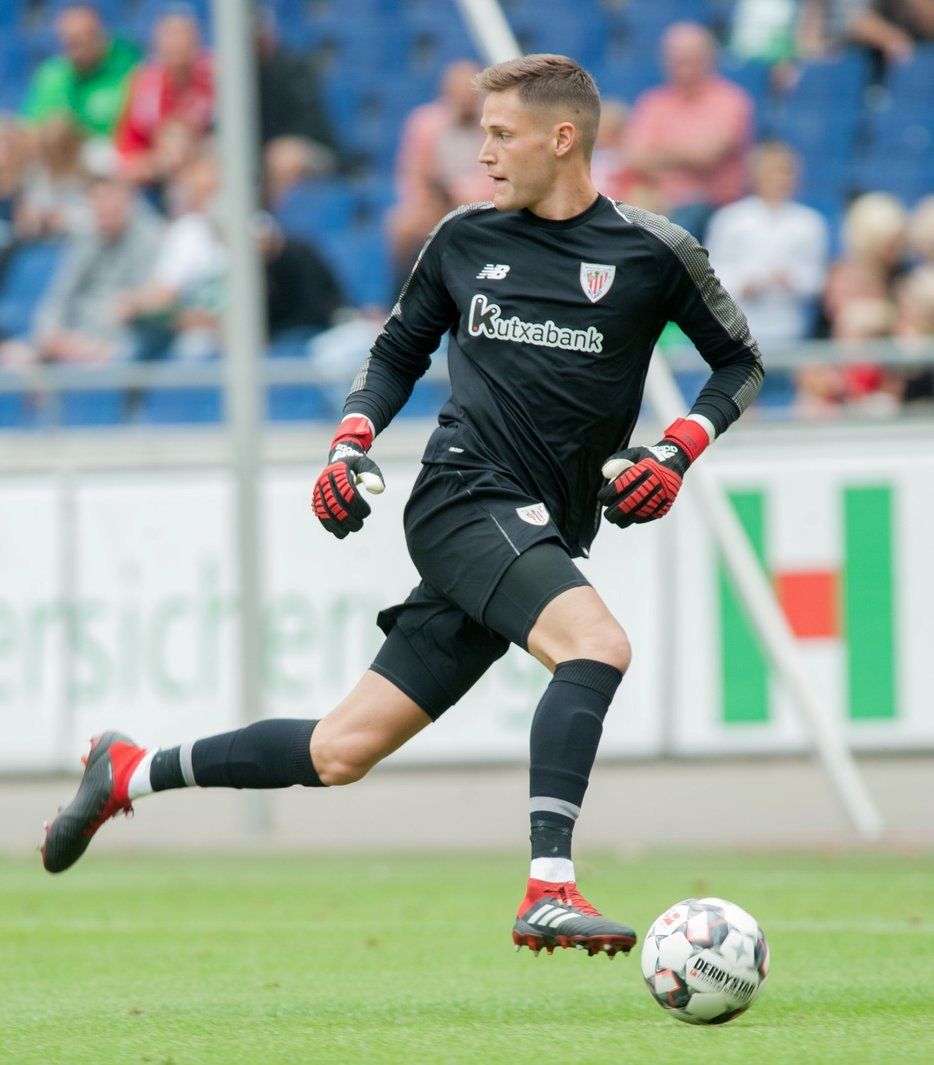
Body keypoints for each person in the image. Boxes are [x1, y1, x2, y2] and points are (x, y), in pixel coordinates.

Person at [41, 55, 763, 958]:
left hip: (534, 526)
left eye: (500, 135)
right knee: (596, 645)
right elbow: (393, 353)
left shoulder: (652, 251)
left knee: (339, 750)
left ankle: (129, 770)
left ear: (561, 138)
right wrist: (349, 444)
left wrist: (677, 448)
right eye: (482, 134)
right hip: (464, 496)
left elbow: (740, 361)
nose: (483, 153)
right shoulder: (463, 238)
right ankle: (550, 886)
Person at [1, 176, 162, 367]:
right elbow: (59, 297)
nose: (104, 207)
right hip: (74, 337)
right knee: (15, 357)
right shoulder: (86, 240)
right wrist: (52, 335)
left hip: (117, 342)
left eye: (111, 201)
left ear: (129, 202)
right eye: (98, 201)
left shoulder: (151, 238)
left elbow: (138, 305)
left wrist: (90, 345)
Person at [625, 22, 754, 238]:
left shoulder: (730, 100)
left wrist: (659, 153)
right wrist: (686, 153)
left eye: (691, 59)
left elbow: (708, 156)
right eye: (677, 60)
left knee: (676, 227)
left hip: (711, 205)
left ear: (710, 58)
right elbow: (634, 158)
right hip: (656, 200)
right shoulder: (653, 102)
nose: (683, 67)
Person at [705, 141, 828, 345]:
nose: (779, 178)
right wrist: (744, 284)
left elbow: (816, 280)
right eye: (773, 171)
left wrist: (791, 280)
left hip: (791, 329)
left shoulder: (810, 222)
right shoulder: (729, 219)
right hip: (737, 328)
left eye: (786, 171)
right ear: (755, 174)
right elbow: (712, 273)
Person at [388, 60, 493, 289]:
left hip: (476, 204)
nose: (465, 98)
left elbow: (494, 176)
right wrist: (426, 203)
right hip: (432, 202)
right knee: (400, 224)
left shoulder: (493, 124)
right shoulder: (423, 122)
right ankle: (401, 294)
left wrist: (458, 197)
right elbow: (412, 173)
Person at [115, 10, 214, 187]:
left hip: (207, 161)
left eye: (182, 40)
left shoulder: (215, 76)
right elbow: (129, 144)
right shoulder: (145, 82)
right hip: (158, 169)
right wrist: (148, 162)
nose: (175, 46)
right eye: (169, 40)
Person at [21, 3, 141, 140]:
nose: (74, 52)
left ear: (100, 35)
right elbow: (31, 125)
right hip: (63, 149)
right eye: (68, 43)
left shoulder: (128, 66)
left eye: (80, 41)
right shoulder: (52, 75)